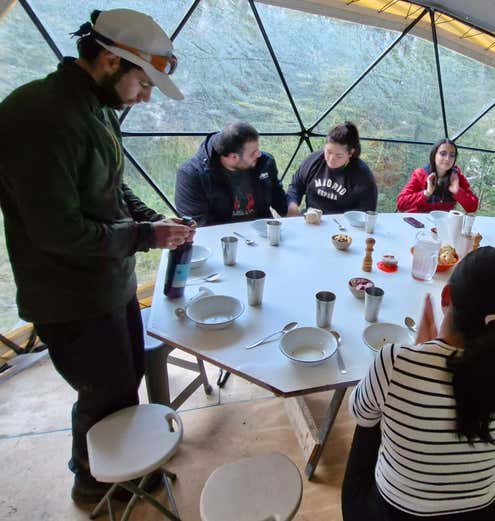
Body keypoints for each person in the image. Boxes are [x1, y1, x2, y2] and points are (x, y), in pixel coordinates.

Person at [0, 9, 193, 504]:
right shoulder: (39, 117)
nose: (146, 96)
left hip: (108, 281)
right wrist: (145, 235)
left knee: (122, 382)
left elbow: (110, 185)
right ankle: (94, 485)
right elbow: (59, 233)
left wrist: (155, 220)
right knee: (102, 392)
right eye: (143, 83)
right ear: (110, 61)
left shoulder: (96, 107)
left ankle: (112, 465)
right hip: (70, 295)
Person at [342, 247, 495, 520]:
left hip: (395, 514)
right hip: (477, 515)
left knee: (370, 418)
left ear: (446, 295)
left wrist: (419, 355)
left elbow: (358, 412)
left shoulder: (395, 361)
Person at [175, 122, 290, 226]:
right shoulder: (191, 175)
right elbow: (198, 226)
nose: (259, 154)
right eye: (253, 153)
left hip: (262, 233)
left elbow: (278, 197)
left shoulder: (264, 163)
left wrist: (292, 212)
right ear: (233, 157)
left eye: (258, 149)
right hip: (221, 238)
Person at [287, 121, 377, 214]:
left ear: (350, 153)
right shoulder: (313, 161)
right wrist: (292, 204)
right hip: (311, 217)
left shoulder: (362, 174)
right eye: (328, 152)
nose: (331, 159)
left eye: (339, 156)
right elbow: (296, 186)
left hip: (342, 221)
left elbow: (367, 208)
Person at [396, 139, 478, 213]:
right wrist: (426, 193)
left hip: (443, 222)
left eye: (452, 155)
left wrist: (458, 192)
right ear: (434, 155)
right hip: (420, 220)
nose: (447, 159)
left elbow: (472, 207)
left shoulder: (457, 177)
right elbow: (401, 204)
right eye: (443, 154)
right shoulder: (420, 174)